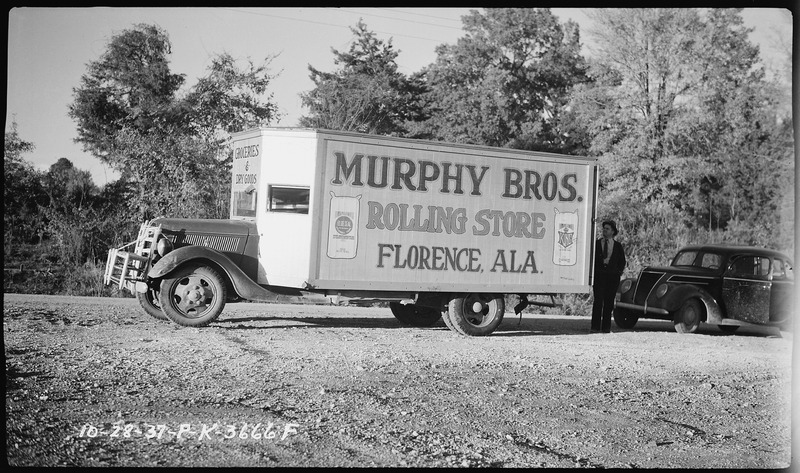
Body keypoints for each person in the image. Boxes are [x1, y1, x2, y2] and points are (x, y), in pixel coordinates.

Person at [591, 220, 626, 333]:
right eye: (604, 228)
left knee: (609, 302)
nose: (604, 231)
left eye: (607, 229)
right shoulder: (596, 244)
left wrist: (617, 272)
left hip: (612, 278)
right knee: (598, 301)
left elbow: (622, 261)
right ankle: (595, 327)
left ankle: (606, 327)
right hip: (599, 276)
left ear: (612, 231)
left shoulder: (617, 246)